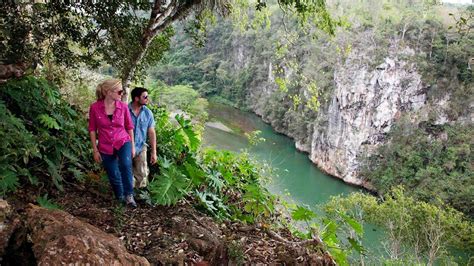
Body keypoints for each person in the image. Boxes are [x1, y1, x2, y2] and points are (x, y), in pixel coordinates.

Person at [88, 79, 137, 208]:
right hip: (105, 145)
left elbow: (129, 127)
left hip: (123, 141)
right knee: (113, 173)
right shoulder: (95, 108)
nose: (122, 94)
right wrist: (95, 150)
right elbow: (92, 129)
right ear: (109, 92)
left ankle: (129, 195)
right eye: (120, 91)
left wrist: (132, 146)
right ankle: (119, 197)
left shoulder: (123, 107)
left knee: (126, 165)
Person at [129, 87, 157, 188]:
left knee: (142, 173)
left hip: (141, 147)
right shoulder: (125, 111)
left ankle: (139, 194)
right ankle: (127, 194)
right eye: (145, 97)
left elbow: (151, 132)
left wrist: (154, 152)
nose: (147, 99)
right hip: (126, 146)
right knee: (126, 171)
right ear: (136, 98)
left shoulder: (148, 113)